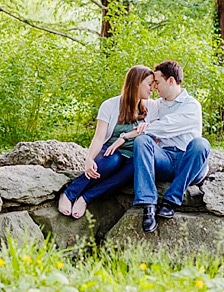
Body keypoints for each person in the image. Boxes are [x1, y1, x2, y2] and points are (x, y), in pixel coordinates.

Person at [108, 60, 210, 232]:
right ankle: (148, 205)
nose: (154, 87)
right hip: (165, 160)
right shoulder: (157, 105)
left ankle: (171, 201)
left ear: (171, 81)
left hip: (189, 162)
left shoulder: (191, 105)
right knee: (142, 141)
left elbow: (167, 126)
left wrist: (130, 135)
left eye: (157, 82)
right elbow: (132, 101)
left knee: (201, 143)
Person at [58, 65, 155, 219]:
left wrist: (129, 135)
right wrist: (89, 159)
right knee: (112, 162)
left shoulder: (152, 106)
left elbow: (159, 127)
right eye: (149, 84)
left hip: (134, 157)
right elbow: (98, 137)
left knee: (133, 169)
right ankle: (70, 193)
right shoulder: (110, 105)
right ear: (137, 83)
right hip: (111, 152)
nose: (152, 89)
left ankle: (86, 198)